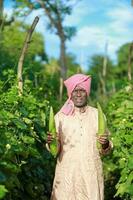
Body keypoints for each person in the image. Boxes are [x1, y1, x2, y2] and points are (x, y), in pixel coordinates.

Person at [47, 74, 112, 200]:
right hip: (67, 175)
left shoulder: (97, 115)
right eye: (75, 91)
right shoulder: (60, 117)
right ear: (70, 93)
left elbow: (105, 150)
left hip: (91, 174)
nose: (78, 94)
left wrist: (105, 143)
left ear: (87, 92)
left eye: (82, 90)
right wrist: (51, 142)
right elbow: (55, 150)